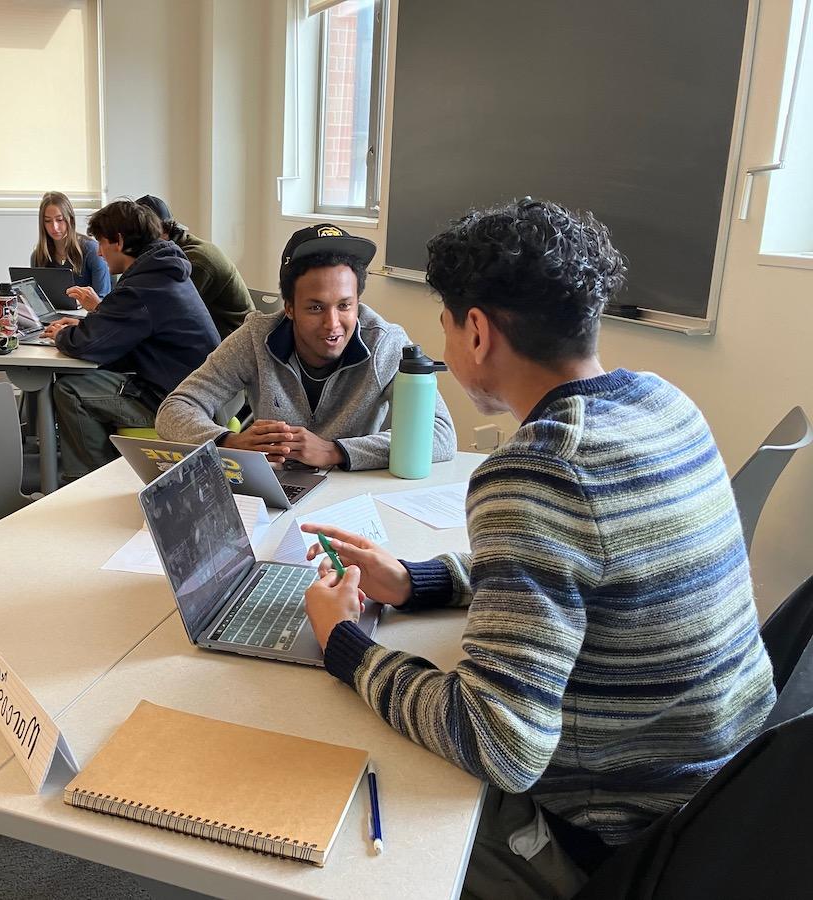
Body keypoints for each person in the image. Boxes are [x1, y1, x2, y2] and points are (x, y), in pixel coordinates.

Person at [299, 198, 776, 899]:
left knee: (347, 822)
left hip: (620, 832)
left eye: (445, 324)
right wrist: (417, 580)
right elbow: (591, 570)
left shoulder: (536, 475)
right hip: (728, 794)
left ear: (479, 332)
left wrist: (344, 643)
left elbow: (498, 744)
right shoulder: (663, 402)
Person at [155, 224, 455, 470]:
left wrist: (335, 451)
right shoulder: (254, 338)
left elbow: (441, 436)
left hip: (354, 496)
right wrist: (229, 443)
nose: (333, 323)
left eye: (345, 306)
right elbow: (174, 410)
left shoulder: (386, 343)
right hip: (276, 491)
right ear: (289, 308)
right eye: (315, 308)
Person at [42, 199, 219, 480]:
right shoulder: (162, 270)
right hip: (200, 393)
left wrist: (63, 334)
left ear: (119, 241)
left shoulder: (142, 286)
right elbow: (120, 328)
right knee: (87, 381)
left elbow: (87, 344)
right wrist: (88, 325)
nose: (99, 252)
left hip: (177, 403)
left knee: (70, 391)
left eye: (101, 243)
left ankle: (91, 481)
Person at [135, 194, 255, 338]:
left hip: (233, 342)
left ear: (165, 230)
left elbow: (167, 314)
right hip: (212, 338)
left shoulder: (193, 261)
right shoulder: (171, 252)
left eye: (144, 233)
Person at [31, 191, 111, 302]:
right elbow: (38, 301)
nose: (54, 227)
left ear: (70, 219)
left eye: (60, 220)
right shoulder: (38, 256)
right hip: (54, 316)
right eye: (47, 221)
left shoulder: (92, 250)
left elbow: (103, 298)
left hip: (87, 316)